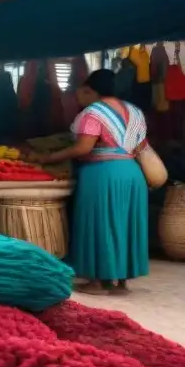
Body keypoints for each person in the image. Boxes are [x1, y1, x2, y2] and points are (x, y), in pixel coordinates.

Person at [40, 68, 149, 294]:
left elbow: (83, 147)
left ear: (90, 90)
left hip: (102, 173)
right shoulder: (135, 111)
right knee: (124, 223)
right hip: (132, 172)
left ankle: (97, 281)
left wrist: (49, 158)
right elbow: (140, 146)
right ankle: (120, 282)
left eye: (80, 90)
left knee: (101, 223)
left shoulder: (94, 113)